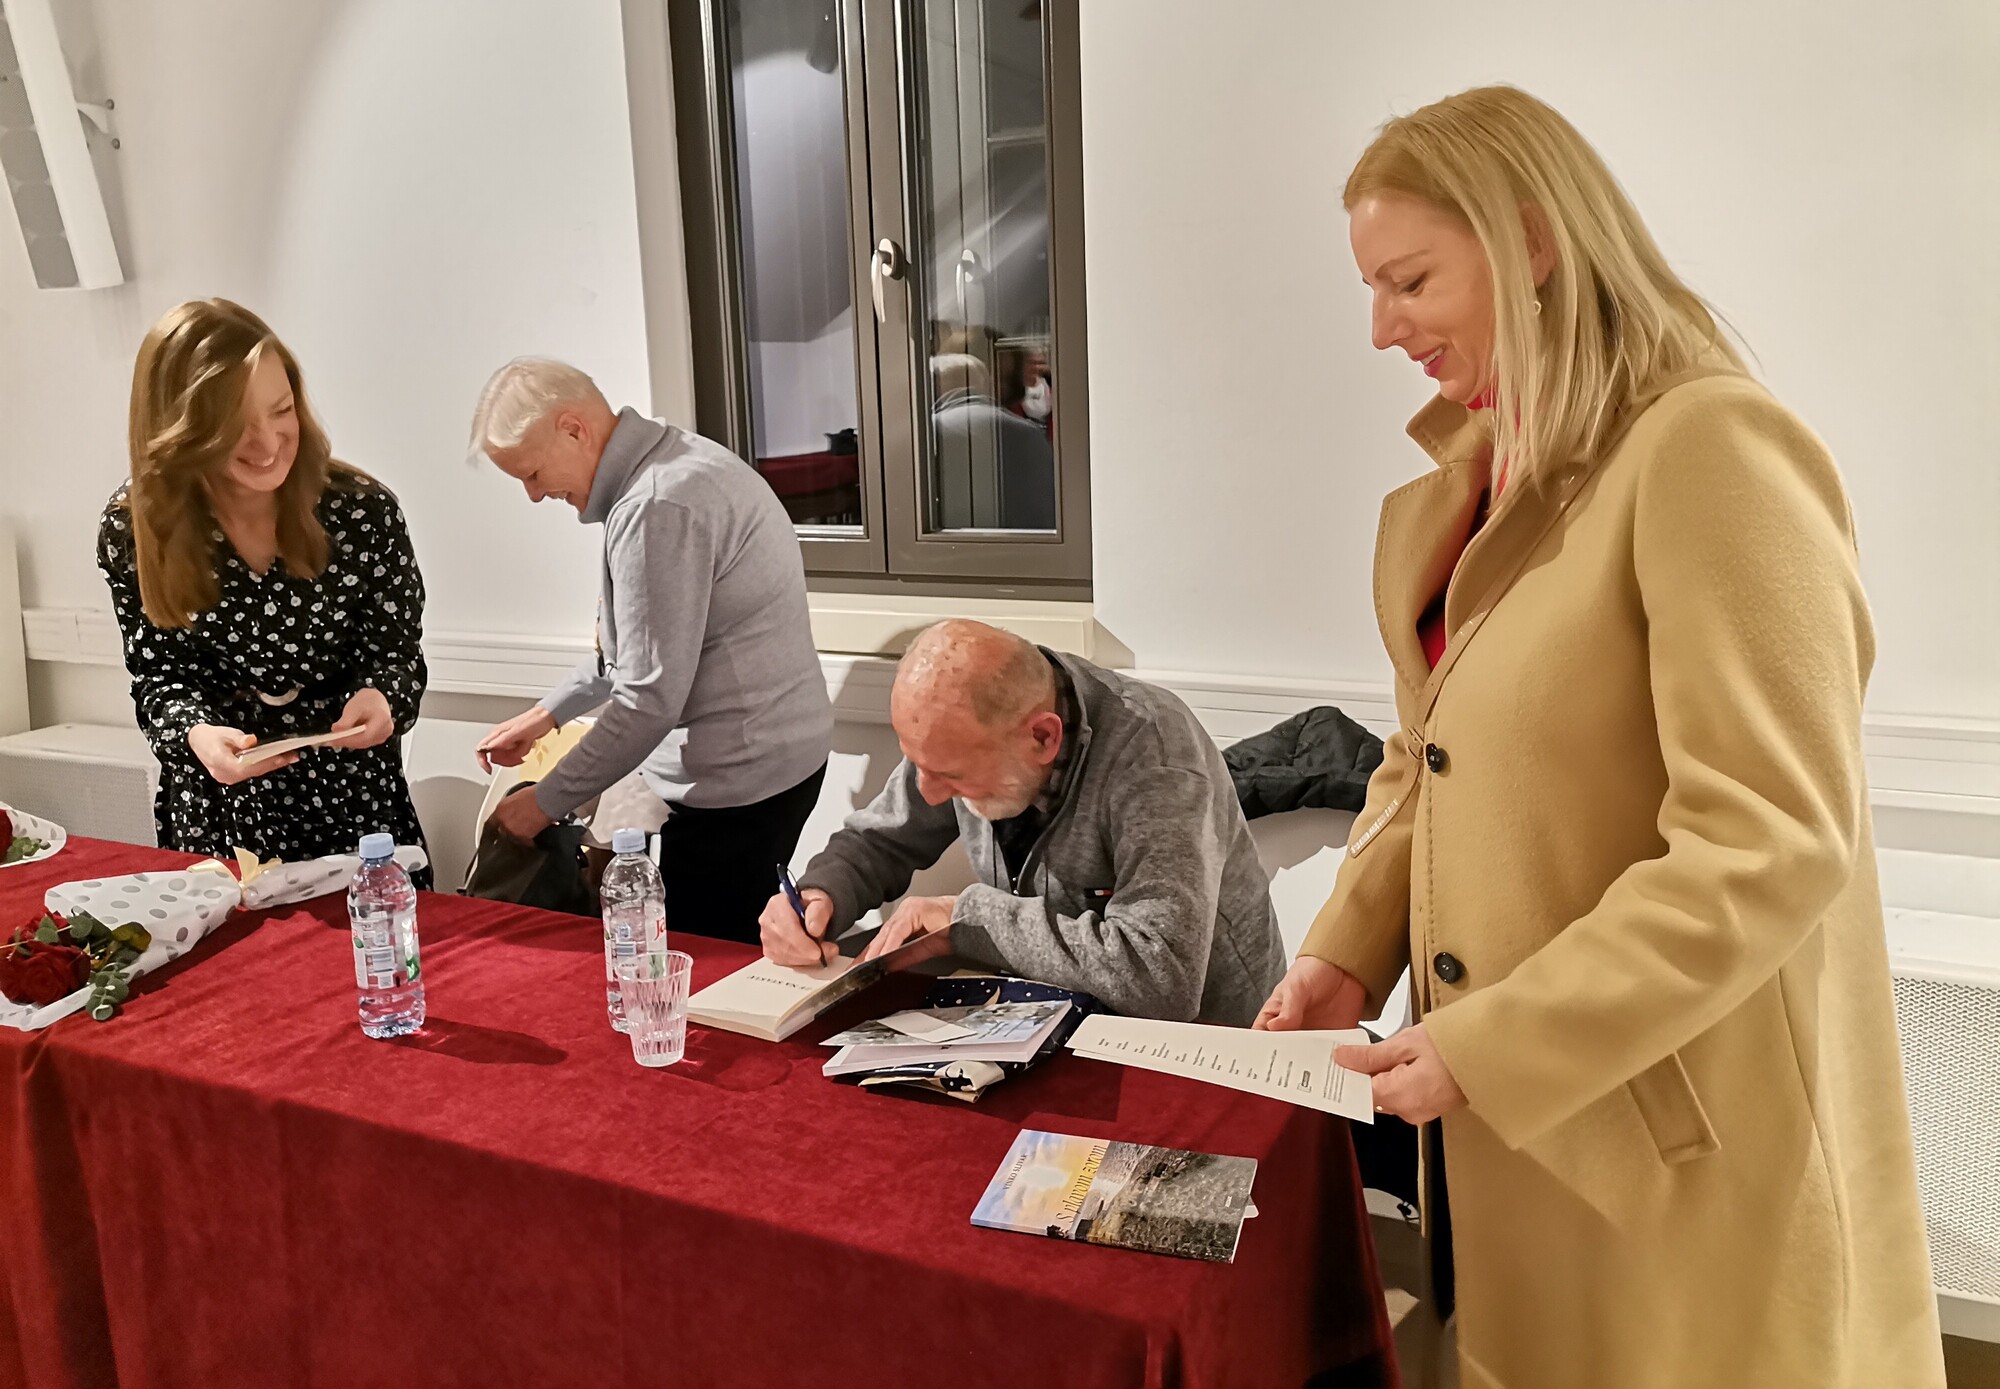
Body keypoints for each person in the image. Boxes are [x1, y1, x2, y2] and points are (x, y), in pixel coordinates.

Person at [1255, 86, 1942, 1388]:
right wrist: (1342, 954)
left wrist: (1494, 1044)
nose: (1381, 328)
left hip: (1673, 1141)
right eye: (1372, 287)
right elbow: (1423, 757)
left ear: (1530, 241)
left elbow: (1770, 839)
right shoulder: (1469, 486)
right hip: (1517, 1129)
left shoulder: (1708, 447)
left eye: (1409, 281)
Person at [759, 620, 1285, 1025]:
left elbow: (1161, 979)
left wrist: (970, 920)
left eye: (950, 775)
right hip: (1047, 1017)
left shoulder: (1156, 756)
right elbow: (880, 842)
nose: (928, 793)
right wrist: (821, 894)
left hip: (1207, 1049)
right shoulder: (965, 728)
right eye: (917, 764)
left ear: (1043, 738)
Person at [469, 359, 833, 943]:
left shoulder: (656, 507)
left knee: (701, 969)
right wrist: (546, 716)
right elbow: (631, 649)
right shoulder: (671, 462)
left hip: (741, 785)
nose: (534, 495)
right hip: (773, 760)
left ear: (573, 429)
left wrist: (542, 805)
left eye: (532, 473)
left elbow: (646, 700)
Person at [99, 299, 430, 880]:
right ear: (181, 433)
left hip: (353, 806)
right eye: (233, 427)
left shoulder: (362, 513)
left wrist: (383, 699)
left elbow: (396, 657)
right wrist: (197, 734)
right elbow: (159, 677)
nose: (268, 443)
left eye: (281, 411)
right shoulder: (135, 528)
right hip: (219, 815)